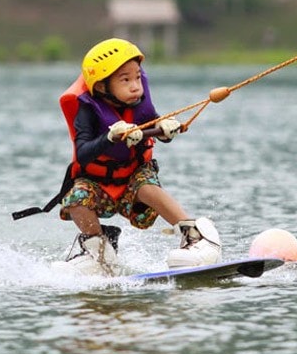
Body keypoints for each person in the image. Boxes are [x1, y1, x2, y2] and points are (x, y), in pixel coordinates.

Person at [52, 38, 221, 276]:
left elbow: (155, 124)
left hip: (133, 173)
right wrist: (109, 137)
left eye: (137, 77)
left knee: (147, 187)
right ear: (102, 87)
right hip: (97, 181)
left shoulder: (140, 104)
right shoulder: (87, 110)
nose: (135, 86)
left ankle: (197, 237)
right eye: (125, 80)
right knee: (75, 200)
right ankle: (98, 252)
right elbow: (83, 153)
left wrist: (165, 129)